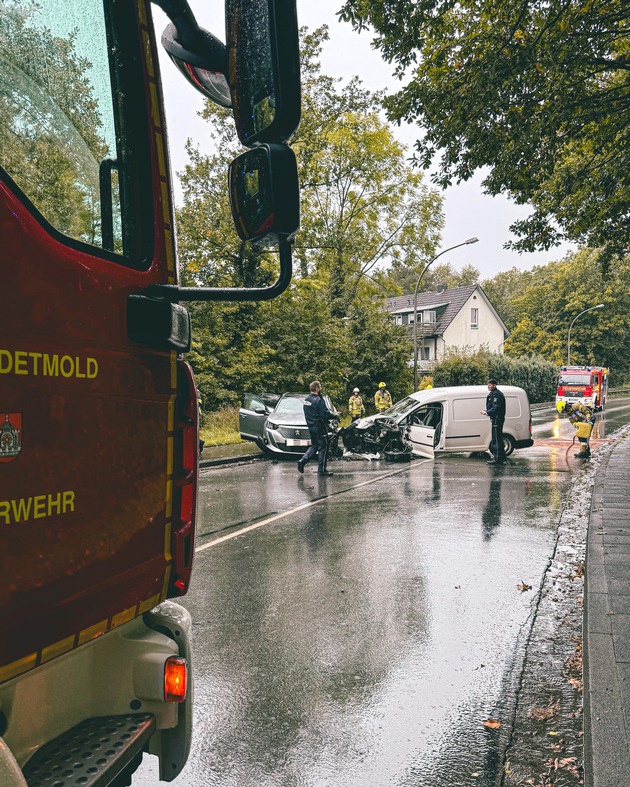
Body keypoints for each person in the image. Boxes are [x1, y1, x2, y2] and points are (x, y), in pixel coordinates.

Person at [297, 381, 338, 476]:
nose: (321, 388)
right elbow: (325, 414)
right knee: (323, 447)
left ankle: (302, 461)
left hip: (311, 427)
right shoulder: (319, 400)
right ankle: (322, 470)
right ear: (317, 389)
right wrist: (334, 415)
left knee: (314, 446)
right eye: (320, 387)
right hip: (319, 427)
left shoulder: (307, 400)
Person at [482, 379, 506, 465]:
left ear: (494, 385)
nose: (488, 386)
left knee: (496, 439)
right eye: (488, 384)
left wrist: (487, 412)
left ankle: (497, 458)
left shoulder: (497, 394)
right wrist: (488, 410)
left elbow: (496, 408)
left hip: (497, 419)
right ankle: (501, 458)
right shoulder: (494, 393)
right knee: (497, 438)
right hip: (496, 418)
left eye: (490, 385)